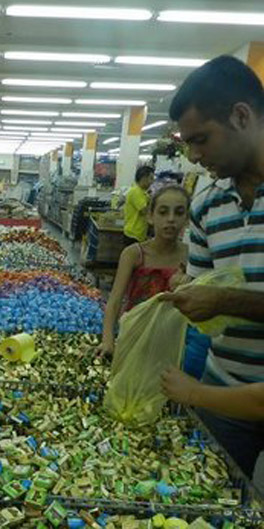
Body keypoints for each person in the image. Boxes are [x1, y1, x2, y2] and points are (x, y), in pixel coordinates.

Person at [160, 55, 264, 479]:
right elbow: (209, 302)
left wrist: (222, 299)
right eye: (187, 143)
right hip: (221, 389)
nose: (194, 156)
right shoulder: (206, 205)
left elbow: (220, 298)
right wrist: (190, 293)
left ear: (241, 116)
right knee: (217, 495)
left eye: (201, 139)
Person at [101, 185, 189, 356]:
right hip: (134, 339)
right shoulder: (134, 254)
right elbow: (114, 301)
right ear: (150, 216)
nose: (171, 219)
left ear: (187, 219)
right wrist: (108, 340)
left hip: (173, 343)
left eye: (179, 213)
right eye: (163, 212)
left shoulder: (190, 256)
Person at [123, 166, 154, 246]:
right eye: (151, 178)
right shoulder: (136, 192)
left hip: (138, 233)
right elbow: (144, 211)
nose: (152, 182)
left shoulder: (143, 192)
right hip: (133, 233)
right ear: (143, 178)